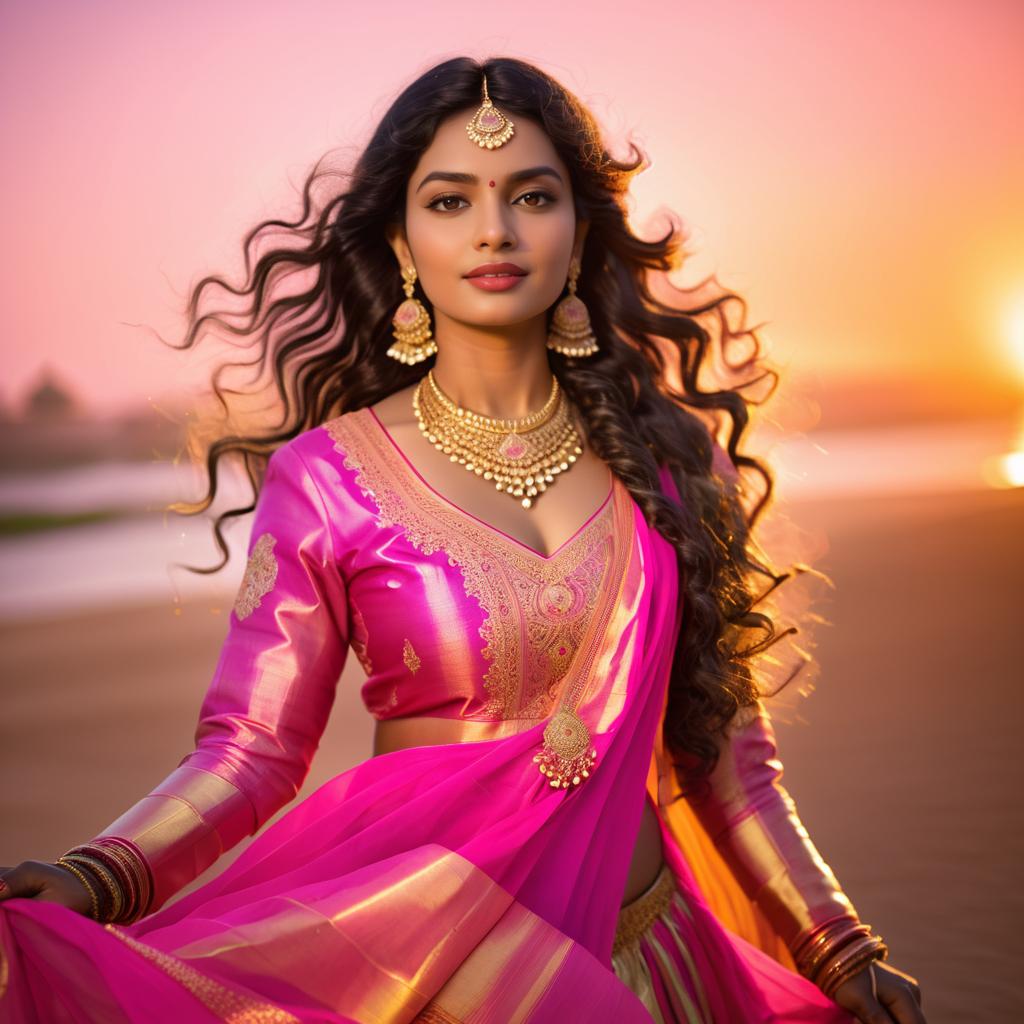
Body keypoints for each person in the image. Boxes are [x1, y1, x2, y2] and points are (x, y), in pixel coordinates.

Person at [0, 56, 926, 1023]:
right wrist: (102, 876)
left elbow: (728, 755)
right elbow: (252, 750)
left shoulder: (671, 461)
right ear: (401, 242)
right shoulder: (326, 479)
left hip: (655, 961)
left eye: (532, 194)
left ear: (578, 231)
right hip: (438, 973)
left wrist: (839, 947)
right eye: (450, 201)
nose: (495, 229)